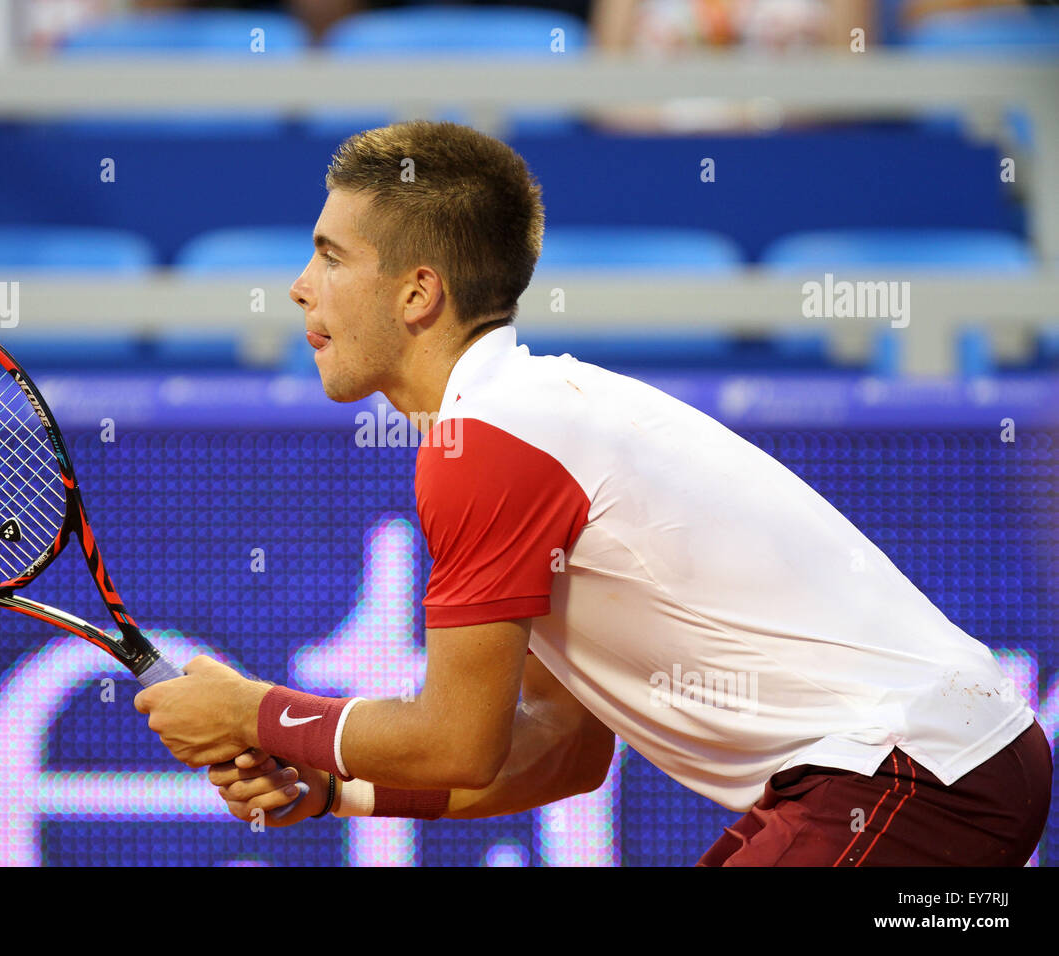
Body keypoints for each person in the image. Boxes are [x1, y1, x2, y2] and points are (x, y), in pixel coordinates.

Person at [134, 120, 1052, 865]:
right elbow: (559, 747)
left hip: (911, 777)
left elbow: (453, 741)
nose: (299, 289)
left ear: (418, 294)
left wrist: (251, 712)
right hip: (936, 771)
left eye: (331, 257)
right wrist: (336, 789)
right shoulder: (518, 420)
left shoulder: (489, 444)